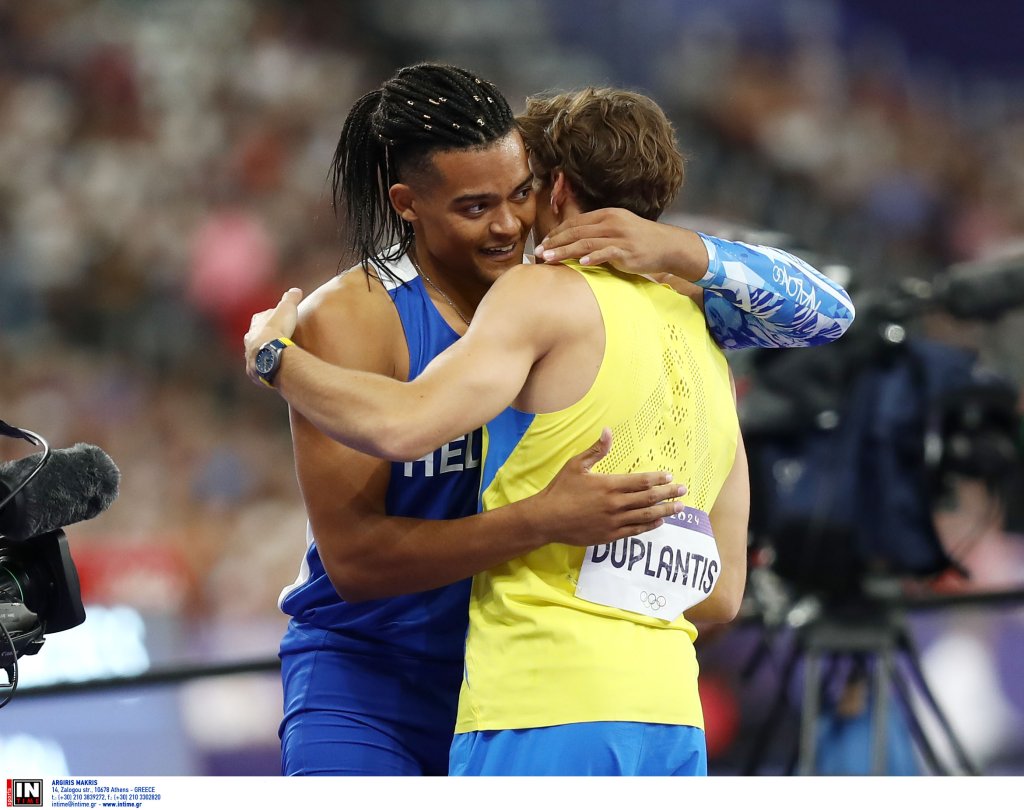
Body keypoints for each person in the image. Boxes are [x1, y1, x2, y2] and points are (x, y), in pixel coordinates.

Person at [264, 63, 854, 777]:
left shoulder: (616, 295)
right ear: (409, 204)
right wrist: (542, 524)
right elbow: (356, 564)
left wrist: (678, 247)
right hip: (375, 677)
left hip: (519, 675)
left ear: (550, 189)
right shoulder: (356, 314)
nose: (508, 224)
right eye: (476, 206)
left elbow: (831, 313)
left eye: (520, 193)